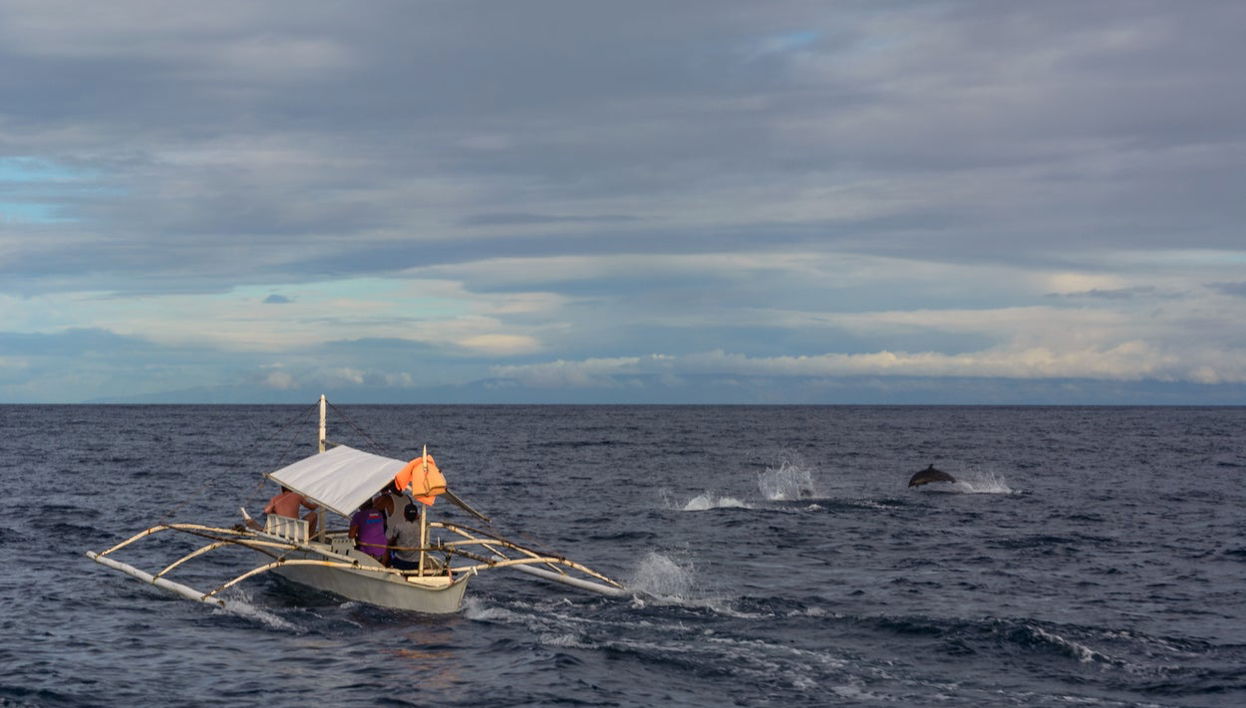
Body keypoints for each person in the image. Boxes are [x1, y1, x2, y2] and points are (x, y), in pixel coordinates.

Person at [349, 497, 389, 565]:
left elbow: (351, 535)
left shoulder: (358, 515)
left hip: (367, 553)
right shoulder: (379, 513)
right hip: (383, 553)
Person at [387, 497, 423, 571]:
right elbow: (418, 517)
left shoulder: (399, 526)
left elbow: (391, 542)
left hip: (401, 560)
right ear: (416, 515)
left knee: (389, 549)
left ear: (404, 514)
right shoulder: (419, 526)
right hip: (415, 562)